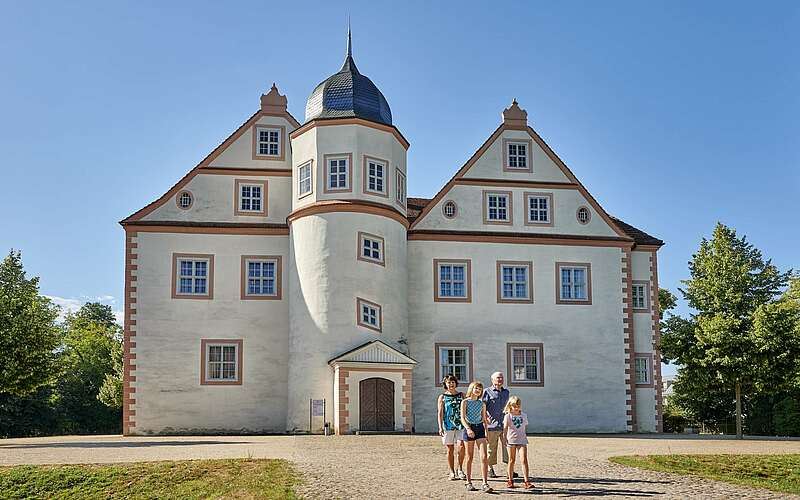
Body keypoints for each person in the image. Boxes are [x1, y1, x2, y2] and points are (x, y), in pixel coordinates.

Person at [460, 381, 493, 493]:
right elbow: (462, 418)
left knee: (484, 457)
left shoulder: (482, 404)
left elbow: (484, 420)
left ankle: (485, 483)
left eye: (480, 389)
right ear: (471, 389)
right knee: (469, 457)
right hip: (469, 428)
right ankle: (468, 482)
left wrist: (487, 434)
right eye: (476, 388)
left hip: (480, 430)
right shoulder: (465, 402)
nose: (478, 390)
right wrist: (468, 429)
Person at [437, 374, 467, 480]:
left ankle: (460, 469)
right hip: (448, 425)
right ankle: (451, 471)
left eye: (453, 382)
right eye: (449, 382)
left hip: (461, 425)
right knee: (450, 449)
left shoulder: (462, 395)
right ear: (445, 384)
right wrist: (440, 427)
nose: (451, 384)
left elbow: (467, 409)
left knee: (461, 447)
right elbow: (440, 413)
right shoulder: (442, 397)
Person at [482, 371, 510, 478]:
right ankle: (490, 469)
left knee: (508, 447)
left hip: (504, 425)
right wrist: (485, 419)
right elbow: (483, 407)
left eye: (502, 378)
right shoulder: (487, 392)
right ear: (492, 380)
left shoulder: (506, 392)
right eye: (498, 378)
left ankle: (509, 469)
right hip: (491, 426)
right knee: (491, 448)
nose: (500, 380)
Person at [503, 395, 533, 489]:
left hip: (522, 440)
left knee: (524, 460)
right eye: (514, 406)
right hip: (511, 440)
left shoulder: (524, 415)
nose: (516, 408)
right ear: (510, 406)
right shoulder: (508, 416)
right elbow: (505, 428)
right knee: (511, 460)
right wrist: (504, 439)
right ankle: (510, 480)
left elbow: (524, 427)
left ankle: (526, 481)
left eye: (518, 406)